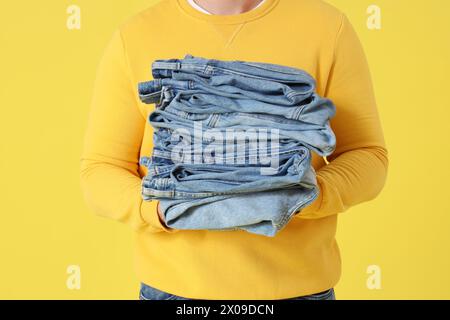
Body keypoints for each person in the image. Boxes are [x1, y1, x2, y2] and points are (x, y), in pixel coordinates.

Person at [80, 0, 388, 300]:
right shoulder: (136, 36)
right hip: (173, 292)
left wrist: (303, 196)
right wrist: (162, 210)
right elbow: (101, 169)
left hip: (298, 291)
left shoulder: (326, 27)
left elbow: (367, 154)